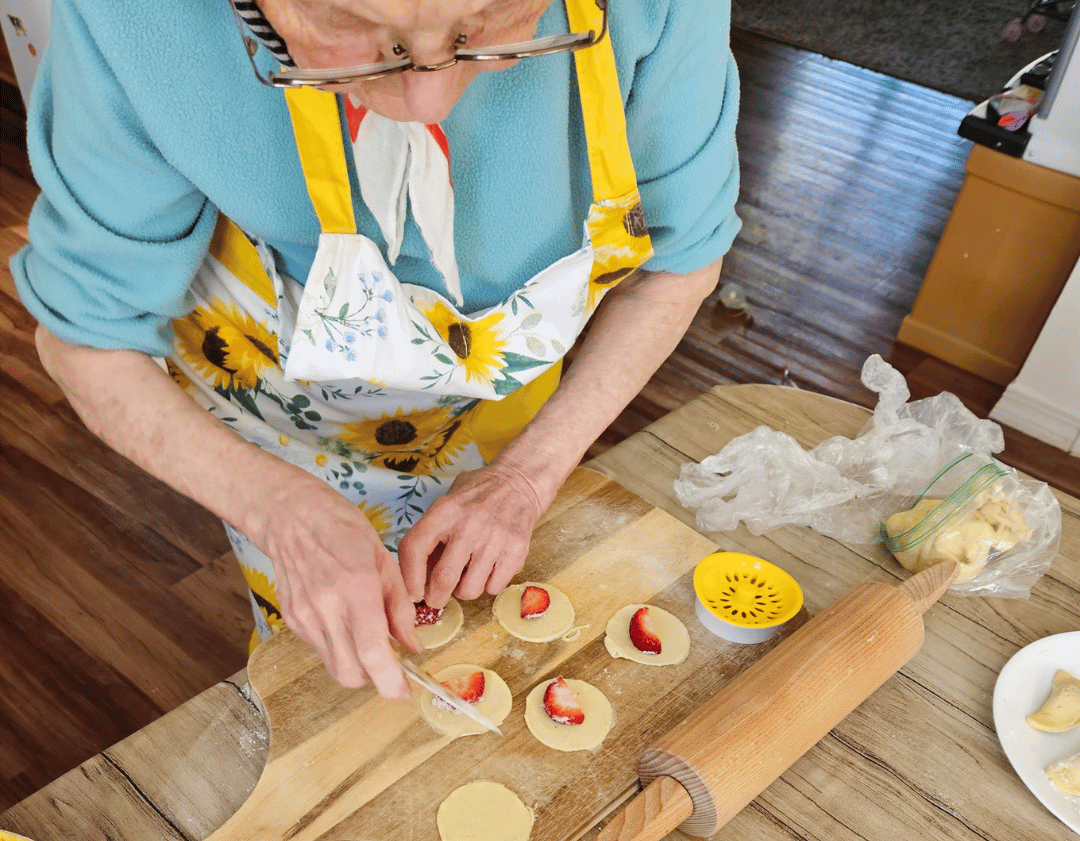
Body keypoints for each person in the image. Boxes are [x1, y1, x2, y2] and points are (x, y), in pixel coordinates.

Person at [13, 0, 740, 699]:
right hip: (272, 426)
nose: (427, 102)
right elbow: (89, 339)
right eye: (356, 30)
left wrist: (526, 479)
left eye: (487, 27)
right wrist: (278, 513)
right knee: (331, 680)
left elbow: (675, 267)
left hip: (515, 417)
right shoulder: (133, 16)